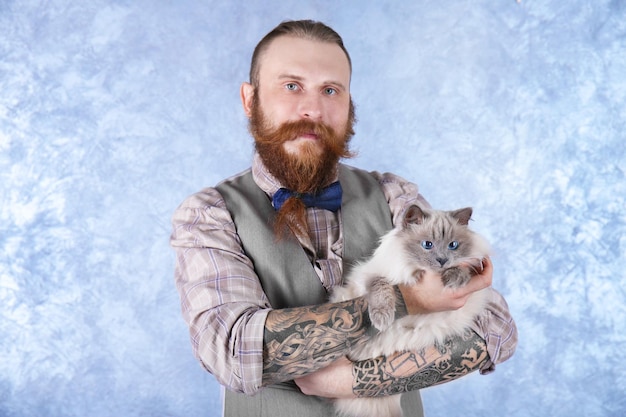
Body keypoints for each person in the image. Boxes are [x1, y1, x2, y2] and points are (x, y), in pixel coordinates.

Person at [171, 19, 517, 417]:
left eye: (330, 90)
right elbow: (234, 351)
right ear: (250, 100)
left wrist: (355, 381)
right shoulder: (208, 214)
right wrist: (411, 301)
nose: (312, 109)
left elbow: (494, 327)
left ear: (349, 105)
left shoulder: (394, 196)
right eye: (291, 86)